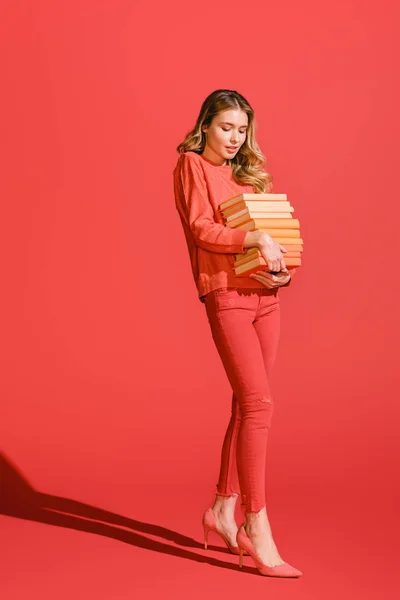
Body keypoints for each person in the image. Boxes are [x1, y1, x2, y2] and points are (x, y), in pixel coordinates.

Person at [173, 89, 302, 578]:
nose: (234, 137)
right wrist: (256, 238)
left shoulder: (245, 173)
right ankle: (257, 523)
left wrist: (283, 268)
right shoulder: (192, 165)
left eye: (242, 129)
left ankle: (221, 511)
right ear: (206, 124)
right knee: (259, 405)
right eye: (226, 126)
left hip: (265, 296)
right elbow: (203, 228)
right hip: (226, 294)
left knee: (245, 404)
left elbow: (273, 234)